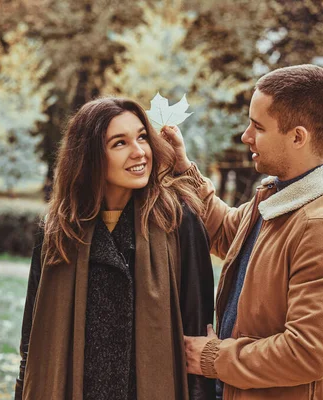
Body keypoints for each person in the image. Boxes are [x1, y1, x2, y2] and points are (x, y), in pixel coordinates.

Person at [163, 64, 323, 399]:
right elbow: (228, 233)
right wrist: (183, 170)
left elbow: (306, 353)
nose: (246, 136)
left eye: (258, 126)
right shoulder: (280, 196)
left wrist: (214, 358)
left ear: (297, 136)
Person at [15, 97, 216, 399]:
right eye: (119, 143)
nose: (139, 152)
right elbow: (33, 340)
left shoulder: (178, 221)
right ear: (90, 157)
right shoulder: (59, 230)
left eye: (142, 137)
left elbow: (196, 336)